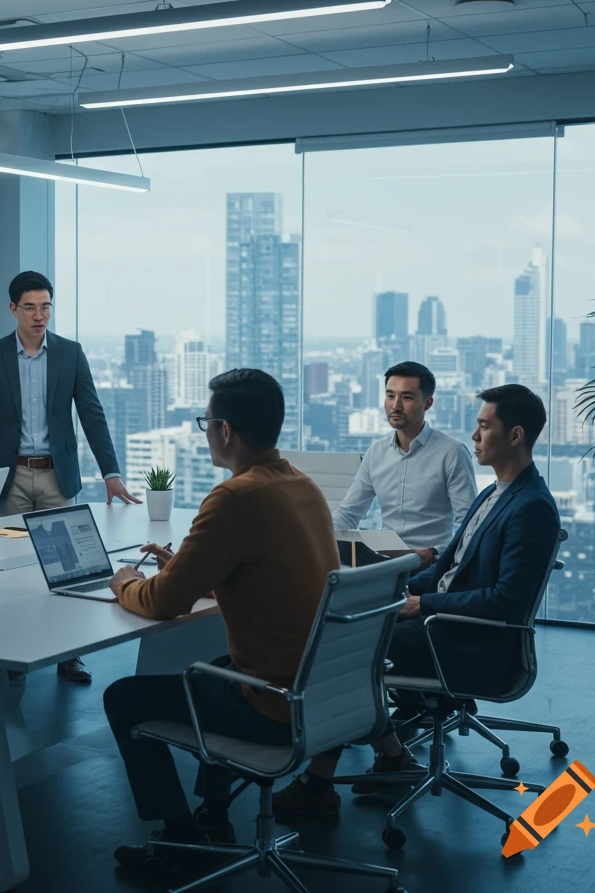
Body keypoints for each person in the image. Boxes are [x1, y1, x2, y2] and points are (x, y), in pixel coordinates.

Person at [273, 384, 561, 821]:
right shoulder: (494, 494)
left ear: (516, 435)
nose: (475, 435)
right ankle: (387, 756)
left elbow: (506, 602)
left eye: (485, 426)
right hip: (442, 622)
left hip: (470, 641)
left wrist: (423, 605)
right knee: (345, 628)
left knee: (342, 650)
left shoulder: (531, 506)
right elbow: (446, 568)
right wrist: (391, 590)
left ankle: (322, 781)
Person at [102, 369, 339, 874]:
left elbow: (164, 602)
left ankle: (179, 841)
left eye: (205, 422)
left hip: (274, 705)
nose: (206, 431)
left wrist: (125, 583)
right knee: (212, 668)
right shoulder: (302, 485)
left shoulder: (234, 497)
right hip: (324, 692)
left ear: (225, 431)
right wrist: (192, 569)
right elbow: (267, 572)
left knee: (123, 697)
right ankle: (212, 812)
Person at [0, 270, 140, 684]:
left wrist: (111, 472)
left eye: (45, 307)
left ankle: (68, 654)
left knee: (70, 569)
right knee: (10, 569)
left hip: (57, 477)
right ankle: (12, 653)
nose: (39, 315)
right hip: (10, 478)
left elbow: (92, 414)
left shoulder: (70, 354)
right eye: (30, 307)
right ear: (13, 309)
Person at [333, 361, 478, 566]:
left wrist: (434, 553)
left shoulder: (452, 452)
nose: (395, 406)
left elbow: (469, 526)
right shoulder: (376, 452)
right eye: (390, 396)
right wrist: (319, 535)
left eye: (407, 397)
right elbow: (349, 513)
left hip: (431, 565)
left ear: (427, 403)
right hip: (384, 562)